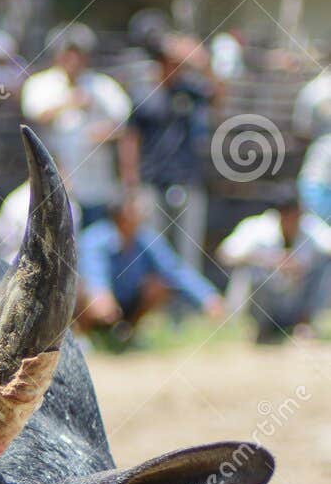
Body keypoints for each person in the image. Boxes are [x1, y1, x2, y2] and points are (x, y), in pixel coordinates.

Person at [75, 191, 223, 347]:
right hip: (97, 303)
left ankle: (126, 334)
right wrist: (100, 295)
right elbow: (94, 273)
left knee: (159, 286)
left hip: (127, 304)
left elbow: (174, 269)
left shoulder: (145, 238)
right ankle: (85, 338)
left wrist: (207, 297)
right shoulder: (95, 237)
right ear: (121, 214)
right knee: (82, 290)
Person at [21, 24, 134, 225]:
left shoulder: (101, 85)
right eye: (67, 53)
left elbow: (123, 124)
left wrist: (99, 133)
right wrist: (71, 101)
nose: (73, 60)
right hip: (55, 187)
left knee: (93, 246)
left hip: (97, 187)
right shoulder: (41, 83)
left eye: (78, 54)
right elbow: (35, 116)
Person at [128, 29, 219, 269]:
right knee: (153, 244)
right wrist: (132, 183)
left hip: (187, 178)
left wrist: (203, 62)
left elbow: (219, 95)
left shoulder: (190, 91)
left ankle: (187, 296)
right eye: (171, 62)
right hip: (152, 180)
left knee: (188, 247)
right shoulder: (143, 95)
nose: (175, 68)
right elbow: (131, 141)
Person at [217, 190, 331, 343]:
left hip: (296, 301)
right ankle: (259, 327)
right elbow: (225, 254)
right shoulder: (258, 227)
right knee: (252, 271)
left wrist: (300, 266)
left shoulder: (310, 227)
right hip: (267, 303)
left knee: (325, 266)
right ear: (279, 215)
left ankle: (304, 324)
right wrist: (271, 261)